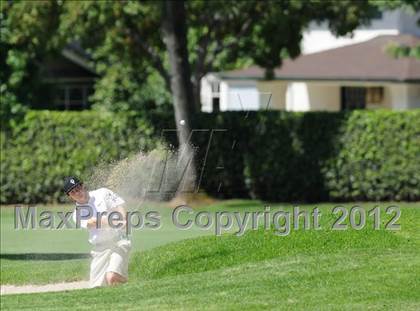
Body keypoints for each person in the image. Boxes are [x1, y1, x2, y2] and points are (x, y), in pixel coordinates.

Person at [63, 176, 131, 288]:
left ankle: (126, 283)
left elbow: (118, 204)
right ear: (70, 196)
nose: (77, 192)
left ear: (83, 186)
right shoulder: (77, 214)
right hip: (100, 249)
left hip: (119, 242)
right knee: (96, 288)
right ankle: (126, 284)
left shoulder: (102, 193)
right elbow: (93, 222)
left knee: (111, 277)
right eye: (73, 192)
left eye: (78, 188)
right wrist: (115, 222)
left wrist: (124, 219)